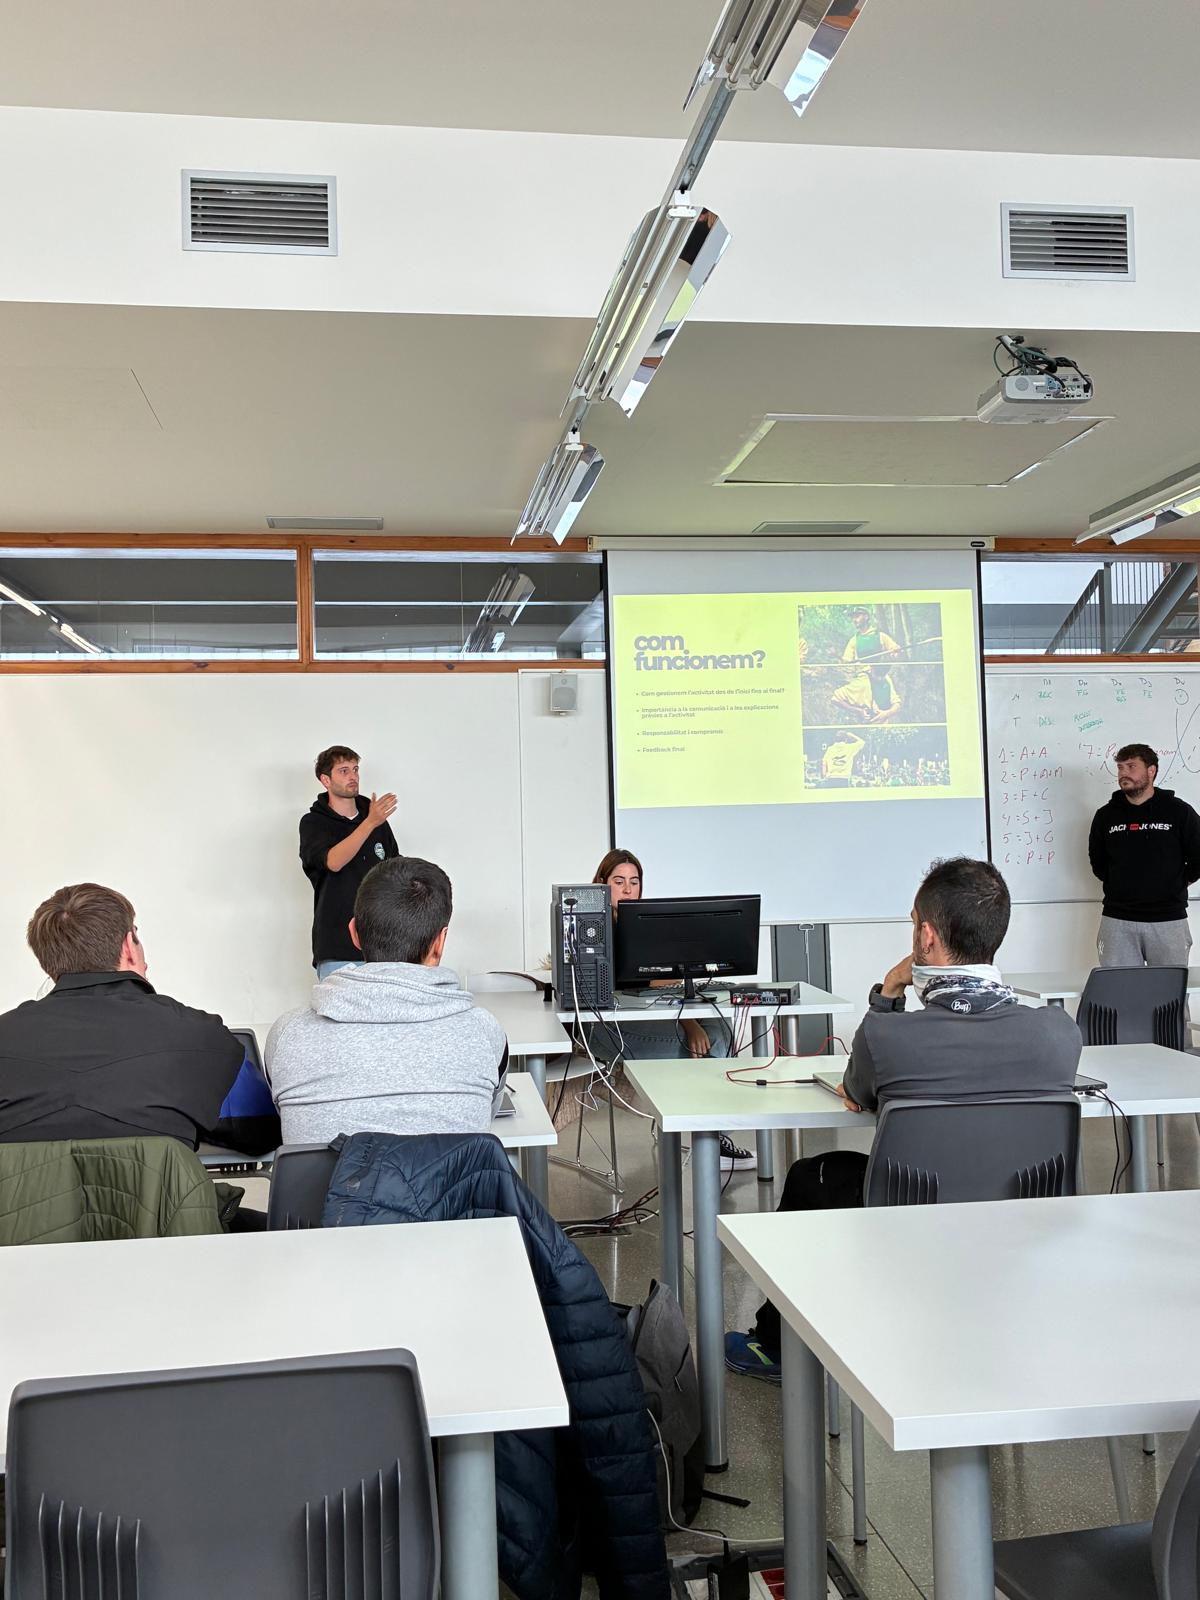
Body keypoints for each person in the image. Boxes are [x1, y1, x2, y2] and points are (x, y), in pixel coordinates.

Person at [725, 857, 1082, 1381]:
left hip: (909, 1221)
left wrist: (890, 991)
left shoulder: (889, 1037)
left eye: (914, 923)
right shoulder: (1058, 1034)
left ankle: (780, 1349)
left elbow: (856, 1091)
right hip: (1023, 1225)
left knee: (809, 1176)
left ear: (926, 938)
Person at [0, 883, 276, 1155]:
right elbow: (261, 1132)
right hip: (161, 1188)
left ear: (47, 963)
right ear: (128, 946)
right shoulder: (204, 1037)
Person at [266, 855, 509, 1143]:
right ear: (440, 942)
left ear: (354, 933)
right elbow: (484, 1120)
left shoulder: (287, 1034)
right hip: (452, 1176)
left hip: (326, 1176)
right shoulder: (483, 1032)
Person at [591, 848, 754, 1171]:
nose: (628, 890)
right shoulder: (593, 928)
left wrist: (690, 1017)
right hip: (605, 1028)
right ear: (602, 884)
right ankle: (711, 1143)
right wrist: (688, 1024)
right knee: (714, 1042)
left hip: (643, 1016)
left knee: (720, 1028)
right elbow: (646, 983)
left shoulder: (641, 924)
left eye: (634, 882)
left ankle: (711, 1134)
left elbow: (663, 980)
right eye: (619, 881)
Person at [1088, 742, 1200, 967]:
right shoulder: (1106, 816)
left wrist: (1176, 883)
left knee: (1168, 988)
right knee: (1119, 987)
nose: (1123, 773)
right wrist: (1120, 883)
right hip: (1118, 919)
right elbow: (1098, 862)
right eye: (1120, 767)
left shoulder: (1179, 811)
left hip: (1169, 919)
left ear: (1151, 770)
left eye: (1131, 766)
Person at [300, 745, 401, 979]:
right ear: (325, 780)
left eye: (355, 769)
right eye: (344, 771)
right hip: (337, 950)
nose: (353, 776)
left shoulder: (376, 820)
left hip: (382, 948)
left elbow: (394, 870)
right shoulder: (314, 823)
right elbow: (333, 862)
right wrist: (370, 823)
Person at [833, 605, 903, 722]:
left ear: (866, 617)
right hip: (863, 677)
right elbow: (847, 663)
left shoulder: (881, 636)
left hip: (880, 674)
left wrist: (896, 651)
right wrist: (838, 657)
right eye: (853, 617)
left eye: (857, 616)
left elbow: (895, 654)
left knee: (889, 703)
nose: (854, 620)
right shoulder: (853, 641)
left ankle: (882, 718)